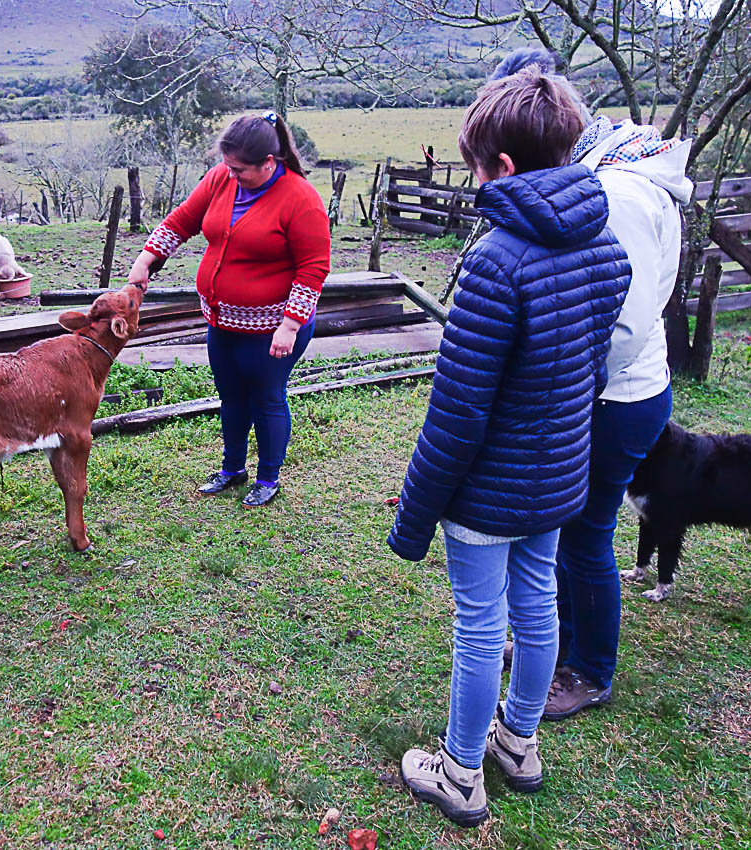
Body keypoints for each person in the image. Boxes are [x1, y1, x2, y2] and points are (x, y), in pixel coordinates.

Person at [386, 67, 632, 827]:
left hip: (489, 490)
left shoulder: (496, 262)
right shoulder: (605, 245)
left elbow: (456, 415)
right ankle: (516, 741)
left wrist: (413, 519)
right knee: (536, 606)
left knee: (478, 625)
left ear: (501, 168)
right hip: (559, 476)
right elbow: (583, 375)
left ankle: (460, 772)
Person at [493, 48, 691, 720]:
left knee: (583, 535)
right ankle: (558, 642)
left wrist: (555, 386)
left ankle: (588, 670)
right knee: (561, 525)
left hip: (614, 397)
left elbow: (626, 322)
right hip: (602, 391)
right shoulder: (600, 175)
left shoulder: (620, 196)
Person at [127, 112, 331, 507]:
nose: (230, 174)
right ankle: (232, 468)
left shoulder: (301, 199)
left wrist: (290, 325)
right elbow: (183, 220)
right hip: (222, 320)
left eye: (240, 169)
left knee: (268, 396)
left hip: (274, 327)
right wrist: (145, 260)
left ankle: (268, 477)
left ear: (268, 163)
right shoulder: (222, 178)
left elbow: (313, 268)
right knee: (231, 395)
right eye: (228, 165)